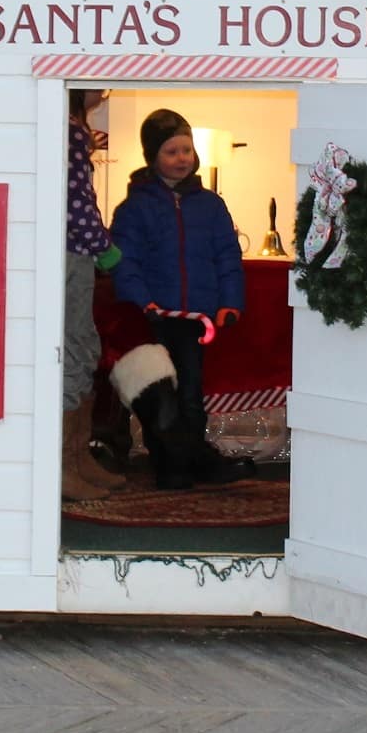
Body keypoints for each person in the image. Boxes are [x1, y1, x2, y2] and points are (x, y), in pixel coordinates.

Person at [109, 108, 249, 490]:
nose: (181, 158)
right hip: (153, 319)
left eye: (186, 150)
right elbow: (126, 261)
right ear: (153, 156)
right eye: (171, 151)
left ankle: (194, 459)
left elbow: (227, 256)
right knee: (161, 399)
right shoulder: (134, 208)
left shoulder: (211, 206)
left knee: (191, 395)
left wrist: (230, 302)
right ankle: (170, 466)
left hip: (194, 321)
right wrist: (142, 303)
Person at [60, 91, 128, 501]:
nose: (102, 92)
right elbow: (76, 202)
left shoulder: (74, 130)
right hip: (73, 254)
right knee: (76, 347)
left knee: (82, 348)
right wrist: (104, 247)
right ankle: (64, 464)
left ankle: (76, 455)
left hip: (76, 253)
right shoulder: (70, 132)